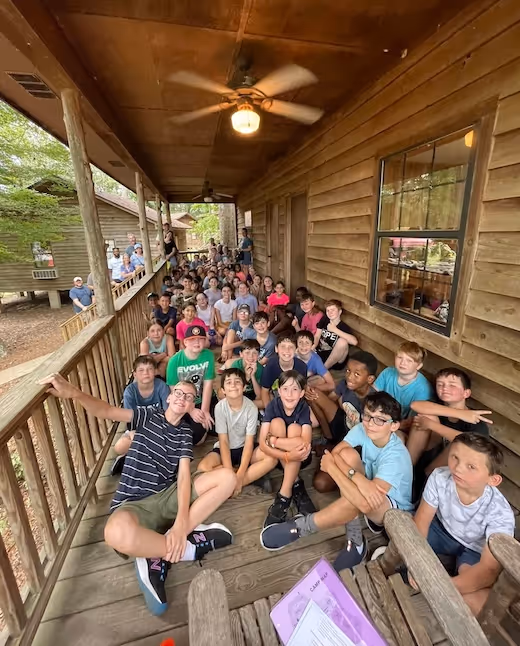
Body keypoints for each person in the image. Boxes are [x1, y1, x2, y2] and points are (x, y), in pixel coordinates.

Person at [40, 373, 235, 617]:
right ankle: (181, 549)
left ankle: (167, 542)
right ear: (169, 397)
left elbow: (184, 476)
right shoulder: (147, 416)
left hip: (166, 495)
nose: (182, 398)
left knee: (228, 478)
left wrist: (180, 523)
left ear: (191, 405)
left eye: (188, 397)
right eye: (178, 393)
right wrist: (74, 393)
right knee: (115, 533)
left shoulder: (185, 433)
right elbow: (108, 412)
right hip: (133, 503)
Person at [260, 392, 414, 573]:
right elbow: (335, 454)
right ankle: (356, 538)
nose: (371, 424)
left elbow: (364, 502)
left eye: (380, 420)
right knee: (347, 455)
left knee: (354, 495)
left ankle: (304, 526)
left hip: (392, 511)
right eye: (368, 416)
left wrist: (336, 469)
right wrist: (357, 479)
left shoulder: (396, 456)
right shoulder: (363, 429)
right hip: (367, 491)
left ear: (394, 425)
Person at [413, 433, 515, 615]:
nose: (458, 468)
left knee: (472, 596)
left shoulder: (500, 513)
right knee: (405, 534)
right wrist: (416, 563)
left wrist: (439, 586)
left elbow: (488, 570)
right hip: (442, 531)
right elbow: (421, 522)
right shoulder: (439, 477)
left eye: (471, 467)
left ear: (493, 480)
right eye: (455, 457)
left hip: (475, 549)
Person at [199, 368, 277, 494]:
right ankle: (252, 475)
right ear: (223, 390)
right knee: (203, 468)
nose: (233, 385)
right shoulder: (220, 407)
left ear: (244, 387)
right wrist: (229, 471)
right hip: (225, 449)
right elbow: (223, 441)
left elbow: (249, 442)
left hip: (245, 448)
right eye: (229, 382)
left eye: (237, 382)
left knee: (271, 459)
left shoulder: (251, 408)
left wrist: (240, 476)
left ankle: (237, 482)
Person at [311, 351, 378, 492]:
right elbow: (331, 398)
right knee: (312, 394)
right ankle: (328, 440)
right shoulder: (345, 384)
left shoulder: (374, 403)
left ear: (370, 379)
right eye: (348, 370)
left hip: (355, 447)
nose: (349, 377)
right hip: (343, 427)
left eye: (357, 374)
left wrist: (341, 453)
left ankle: (333, 455)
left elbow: (369, 441)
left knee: (321, 484)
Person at [258, 371, 315, 526]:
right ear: (279, 391)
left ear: (302, 393)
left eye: (295, 389)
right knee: (277, 423)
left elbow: (305, 444)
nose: (290, 394)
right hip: (281, 458)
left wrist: (274, 440)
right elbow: (262, 443)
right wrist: (288, 456)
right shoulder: (272, 405)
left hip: (301, 456)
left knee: (295, 429)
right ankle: (295, 484)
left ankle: (284, 494)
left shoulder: (304, 408)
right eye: (285, 389)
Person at [111, 356, 173, 473]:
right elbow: (131, 422)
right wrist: (137, 440)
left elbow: (167, 414)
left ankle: (132, 458)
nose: (146, 373)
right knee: (119, 447)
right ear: (134, 374)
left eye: (150, 369)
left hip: (158, 428)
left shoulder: (161, 386)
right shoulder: (130, 391)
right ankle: (132, 456)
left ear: (155, 371)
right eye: (141, 370)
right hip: (138, 430)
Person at [166, 325, 216, 445]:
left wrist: (205, 411)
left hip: (203, 399)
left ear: (205, 341)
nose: (197, 342)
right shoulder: (174, 361)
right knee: (195, 438)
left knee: (216, 427)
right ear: (185, 342)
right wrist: (191, 409)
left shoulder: (208, 355)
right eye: (192, 339)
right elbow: (174, 390)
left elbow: (208, 385)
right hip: (184, 401)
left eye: (200, 339)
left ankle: (205, 429)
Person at [374, 341, 433, 431]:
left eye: (409, 360)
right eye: (400, 357)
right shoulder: (388, 372)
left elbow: (410, 421)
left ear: (419, 366)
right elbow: (373, 395)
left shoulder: (423, 388)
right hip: (379, 416)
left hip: (400, 427)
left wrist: (388, 427)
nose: (403, 363)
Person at [260, 333, 308, 409]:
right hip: (275, 397)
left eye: (291, 347)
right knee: (260, 401)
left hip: (292, 398)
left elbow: (301, 391)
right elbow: (264, 391)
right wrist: (269, 412)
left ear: (296, 350)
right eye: (283, 346)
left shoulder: (302, 367)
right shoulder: (270, 366)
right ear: (276, 349)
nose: (287, 350)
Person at [314, 299, 358, 370]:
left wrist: (334, 329)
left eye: (332, 310)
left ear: (340, 312)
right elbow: (317, 335)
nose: (330, 312)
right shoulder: (324, 320)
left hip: (336, 360)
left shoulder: (343, 327)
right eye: (328, 310)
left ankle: (323, 370)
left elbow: (354, 342)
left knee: (342, 342)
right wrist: (313, 346)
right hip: (321, 354)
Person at [228, 340, 264, 408]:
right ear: (241, 354)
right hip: (239, 392)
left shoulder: (259, 368)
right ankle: (246, 407)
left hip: (252, 394)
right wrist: (247, 377)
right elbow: (234, 389)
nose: (251, 356)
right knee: (223, 394)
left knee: (265, 402)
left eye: (254, 353)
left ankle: (242, 407)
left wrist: (252, 376)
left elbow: (259, 395)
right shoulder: (236, 365)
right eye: (247, 353)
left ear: (258, 355)